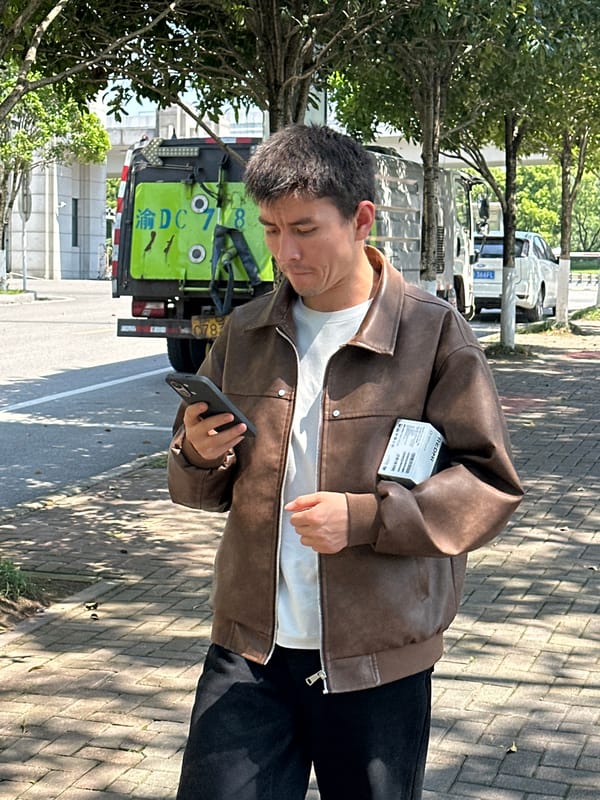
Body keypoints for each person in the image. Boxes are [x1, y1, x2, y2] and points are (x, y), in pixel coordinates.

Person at [168, 124, 523, 800]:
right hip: (250, 651)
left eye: (304, 229)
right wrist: (196, 453)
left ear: (361, 220)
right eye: (271, 230)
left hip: (378, 661)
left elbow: (489, 483)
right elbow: (196, 487)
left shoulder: (431, 334)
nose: (285, 252)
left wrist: (364, 519)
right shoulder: (244, 334)